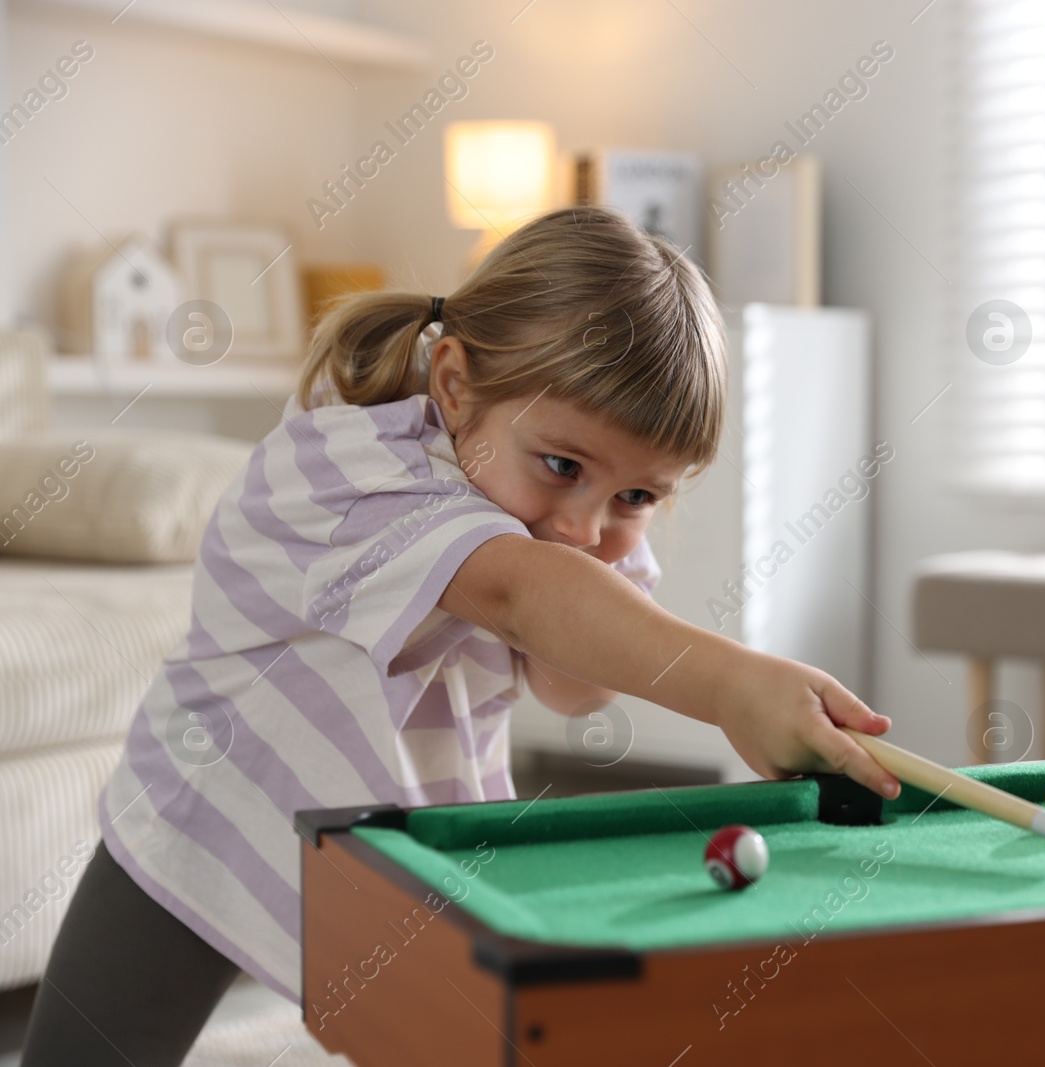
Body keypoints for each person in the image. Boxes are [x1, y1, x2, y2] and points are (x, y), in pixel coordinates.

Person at [20, 206, 899, 1066]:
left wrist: (612, 598)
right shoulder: (344, 468)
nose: (585, 526)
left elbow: (571, 685)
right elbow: (521, 592)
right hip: (209, 822)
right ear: (453, 384)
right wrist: (729, 683)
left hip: (403, 846)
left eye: (638, 496)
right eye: (563, 466)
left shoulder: (575, 535)